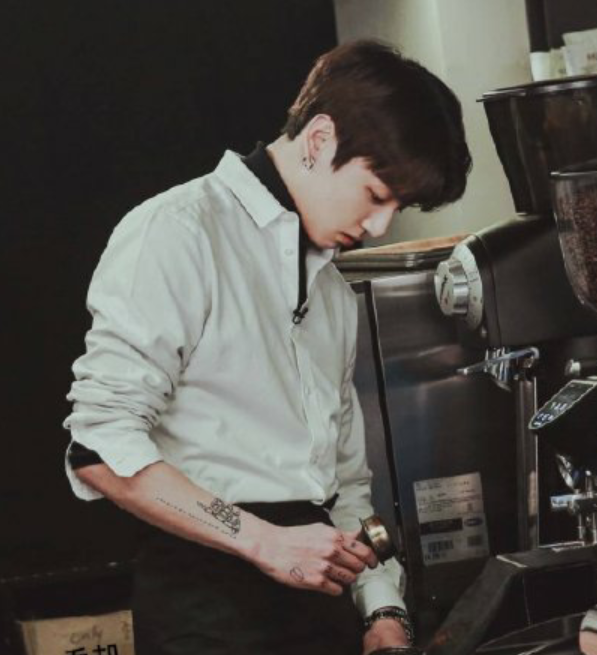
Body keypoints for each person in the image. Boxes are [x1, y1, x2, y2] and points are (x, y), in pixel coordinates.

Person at [63, 39, 471, 655]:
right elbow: (99, 446)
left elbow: (347, 486)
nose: (380, 226)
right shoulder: (178, 232)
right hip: (207, 606)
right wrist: (262, 540)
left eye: (399, 206)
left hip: (324, 603)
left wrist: (383, 611)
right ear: (320, 139)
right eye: (375, 194)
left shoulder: (333, 291)